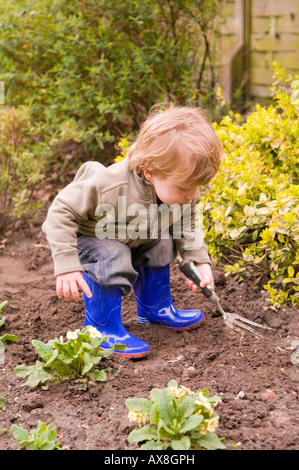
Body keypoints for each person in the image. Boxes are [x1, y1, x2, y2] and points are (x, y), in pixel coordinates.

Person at [42, 105, 222, 358]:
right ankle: (101, 329)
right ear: (150, 172)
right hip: (86, 237)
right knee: (112, 253)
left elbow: (187, 224)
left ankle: (155, 309)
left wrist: (199, 262)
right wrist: (66, 264)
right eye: (184, 188)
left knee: (162, 242)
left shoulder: (179, 188)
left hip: (131, 236)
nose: (192, 195)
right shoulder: (107, 184)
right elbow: (61, 211)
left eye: (197, 186)